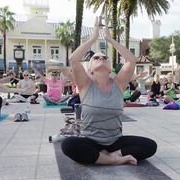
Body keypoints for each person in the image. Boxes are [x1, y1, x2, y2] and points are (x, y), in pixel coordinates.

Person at [61, 17, 157, 165]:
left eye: (104, 57)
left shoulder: (118, 84)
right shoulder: (85, 85)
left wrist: (110, 39)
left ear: (110, 67)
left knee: (150, 146)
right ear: (90, 68)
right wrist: (94, 36)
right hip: (90, 140)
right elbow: (74, 59)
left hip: (115, 141)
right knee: (68, 145)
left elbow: (131, 60)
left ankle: (107, 156)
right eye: (96, 58)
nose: (101, 58)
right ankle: (113, 160)